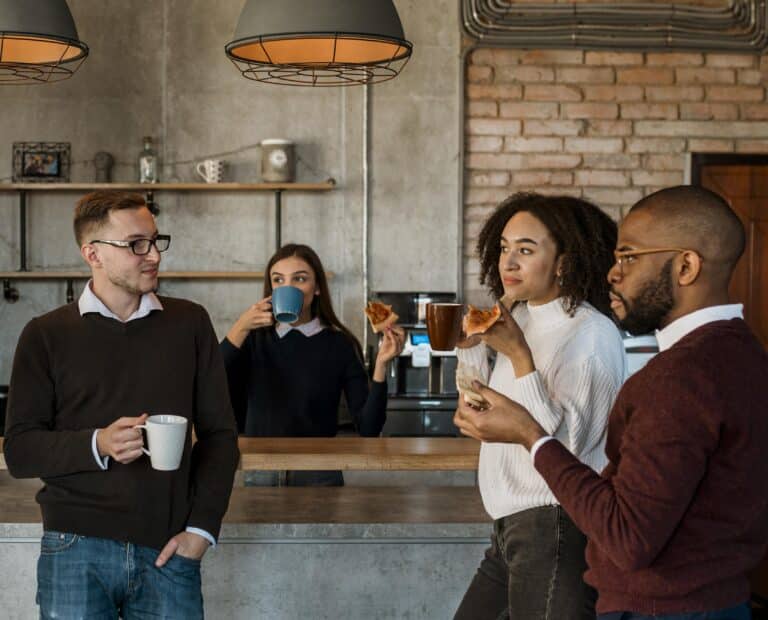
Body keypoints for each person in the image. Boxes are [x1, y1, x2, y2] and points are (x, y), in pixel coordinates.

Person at [455, 185, 768, 619]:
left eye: (629, 257)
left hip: (662, 604)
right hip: (701, 599)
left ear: (686, 266)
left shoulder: (676, 377)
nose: (612, 274)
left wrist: (529, 434)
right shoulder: (744, 354)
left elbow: (627, 535)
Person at [4, 190, 240, 619]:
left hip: (170, 548)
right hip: (74, 546)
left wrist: (202, 530)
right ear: (92, 253)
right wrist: (98, 443)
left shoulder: (190, 323)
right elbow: (20, 450)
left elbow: (220, 435)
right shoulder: (45, 335)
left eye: (154, 240)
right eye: (135, 244)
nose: (153, 255)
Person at [453, 193, 626, 620]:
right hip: (510, 529)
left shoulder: (591, 334)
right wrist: (470, 348)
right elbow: (480, 405)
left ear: (565, 262)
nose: (507, 263)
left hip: (556, 528)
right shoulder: (523, 319)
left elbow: (562, 448)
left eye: (525, 250)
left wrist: (519, 358)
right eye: (504, 248)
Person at [221, 243, 405, 486]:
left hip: (320, 472)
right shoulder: (252, 339)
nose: (287, 287)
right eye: (278, 280)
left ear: (317, 287)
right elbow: (209, 380)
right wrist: (240, 326)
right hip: (260, 470)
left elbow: (369, 429)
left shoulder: (340, 344)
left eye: (299, 279)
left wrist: (381, 366)